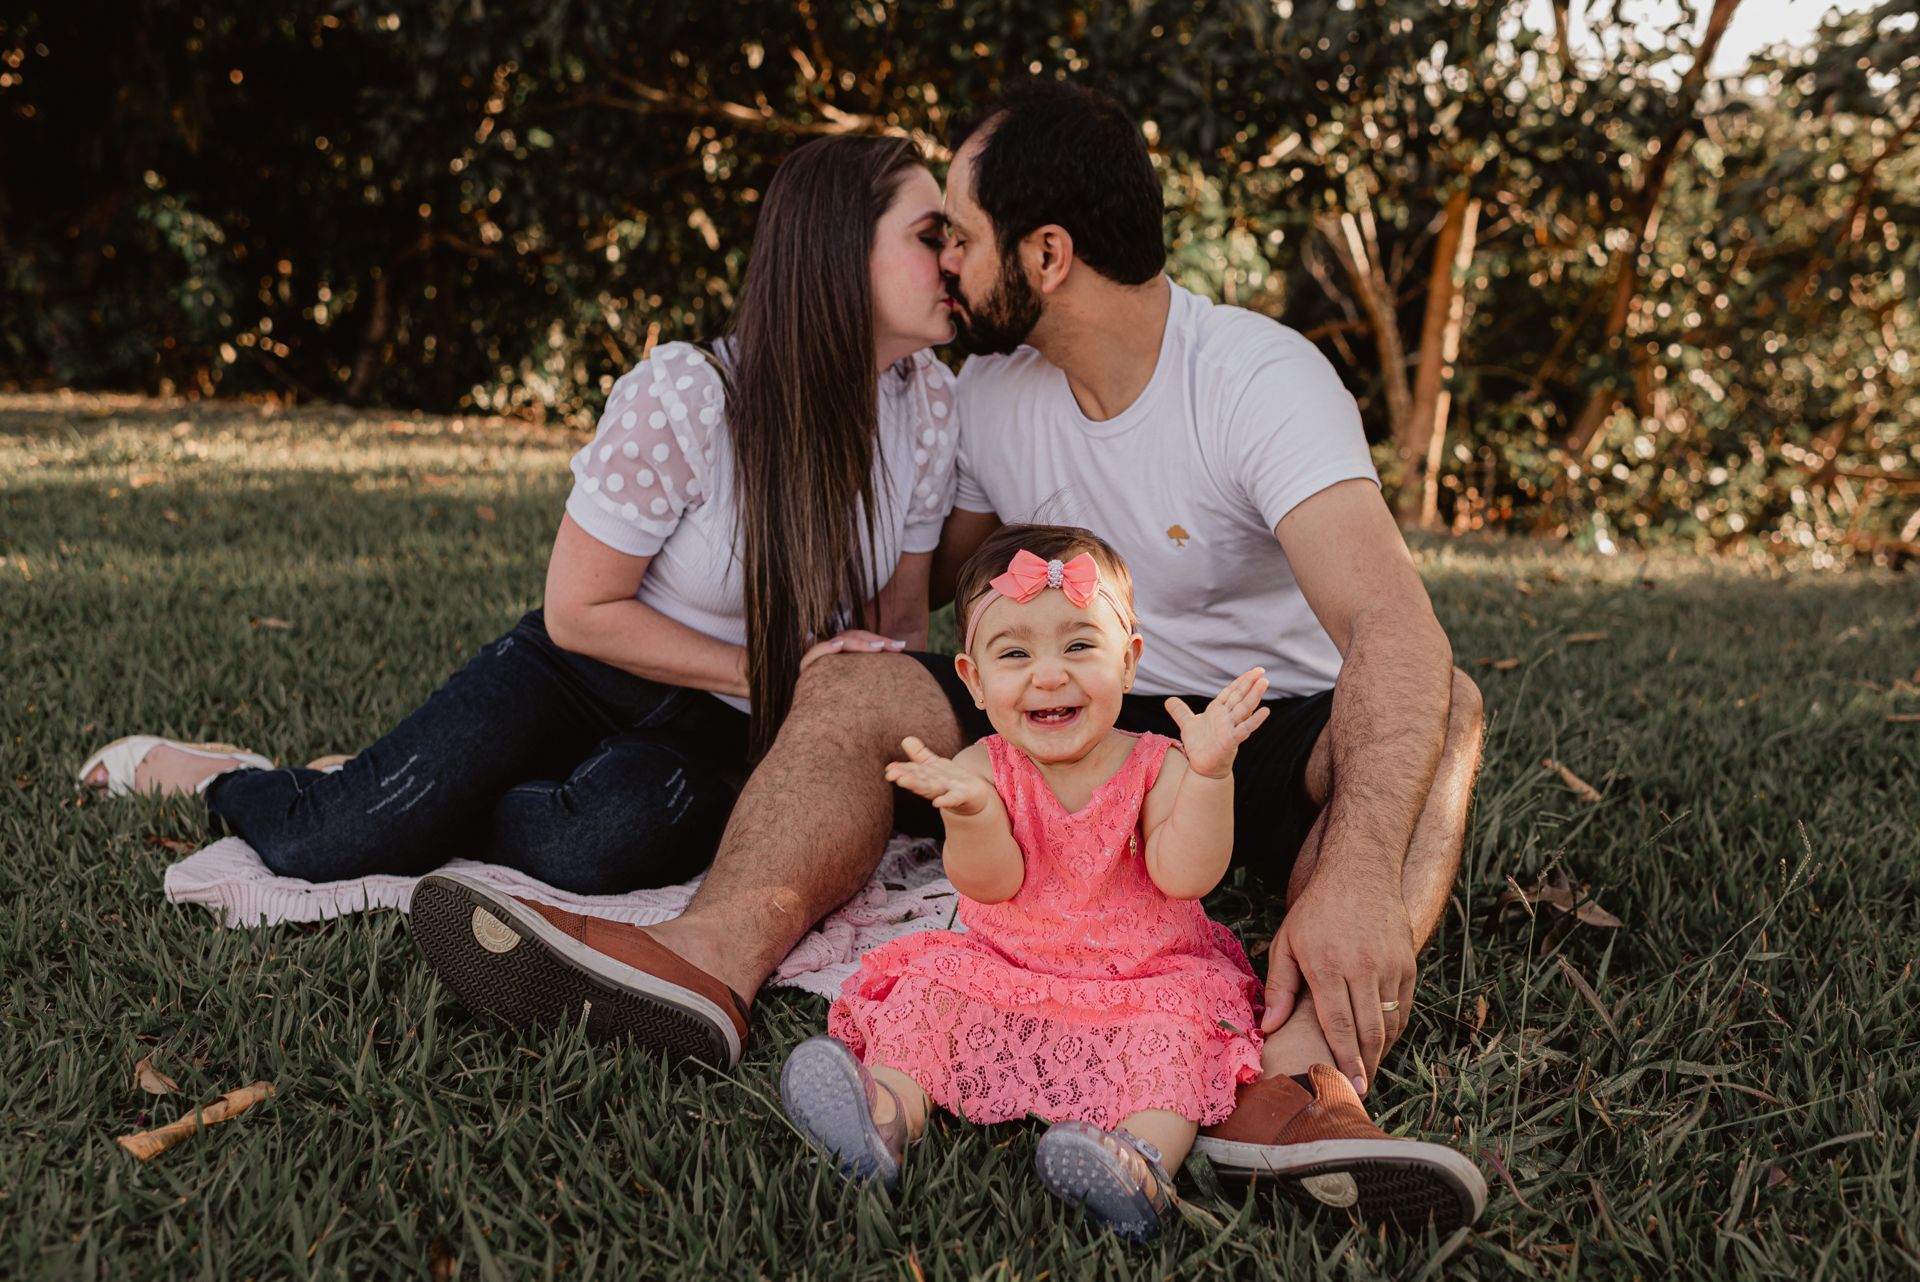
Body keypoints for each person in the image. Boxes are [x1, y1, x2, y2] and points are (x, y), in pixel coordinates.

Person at [413, 82, 1488, 1230]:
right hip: (1047, 718)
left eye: (960, 239)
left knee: (1450, 710)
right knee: (860, 672)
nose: (947, 266)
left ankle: (1290, 1084)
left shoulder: (1258, 380)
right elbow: (925, 618)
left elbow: (1395, 629)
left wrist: (1365, 872)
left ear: (1048, 254)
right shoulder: (985, 398)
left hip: (1241, 733)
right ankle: (701, 960)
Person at [75, 134, 961, 917]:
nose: (957, 261)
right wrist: (769, 671)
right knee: (329, 844)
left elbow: (898, 628)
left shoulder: (926, 407)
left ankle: (427, 792)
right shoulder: (689, 396)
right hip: (585, 670)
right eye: (932, 238)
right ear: (839, 246)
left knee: (599, 843)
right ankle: (235, 775)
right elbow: (580, 612)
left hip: (731, 727)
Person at [780, 524, 1271, 1244]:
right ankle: (884, 1116)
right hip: (1009, 968)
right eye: (1015, 653)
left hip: (1143, 978)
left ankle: (1137, 1165)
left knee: (1177, 1032)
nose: (1049, 675)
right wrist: (975, 816)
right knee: (932, 991)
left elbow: (1185, 873)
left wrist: (1209, 775)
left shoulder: (1156, 763)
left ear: (1129, 663)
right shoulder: (983, 768)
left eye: (1079, 646)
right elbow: (991, 884)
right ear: (974, 680)